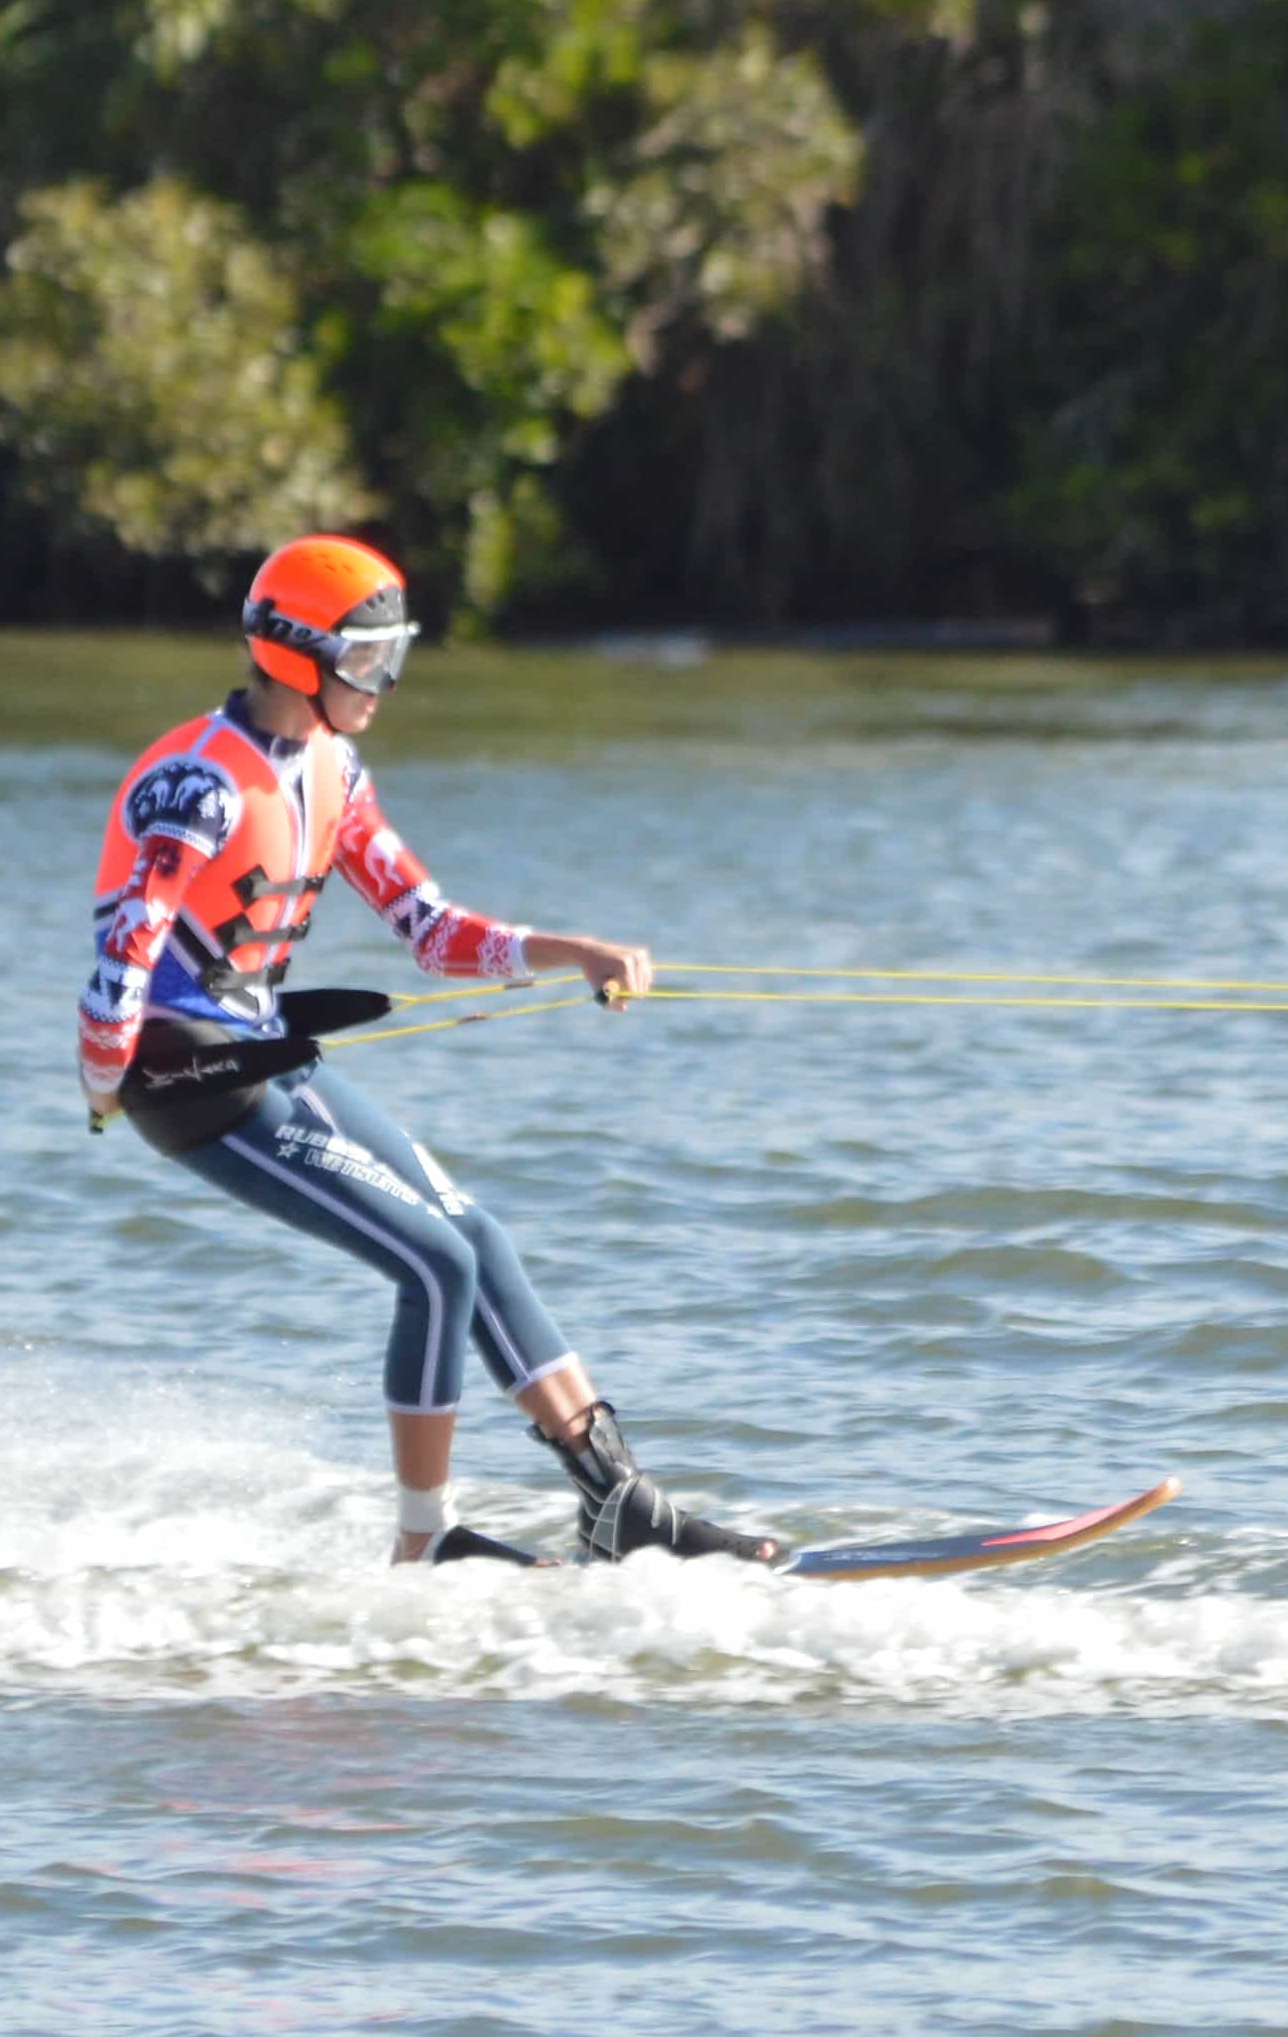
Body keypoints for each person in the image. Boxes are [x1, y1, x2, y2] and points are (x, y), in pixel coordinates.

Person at [80, 533, 784, 1569]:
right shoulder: (199, 783)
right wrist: (106, 1076)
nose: (383, 682)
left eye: (390, 656)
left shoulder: (337, 772)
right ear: (292, 653)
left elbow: (430, 928)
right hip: (190, 1074)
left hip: (268, 1054)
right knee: (433, 1261)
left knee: (479, 1238)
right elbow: (126, 942)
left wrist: (569, 953)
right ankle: (425, 1545)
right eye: (364, 660)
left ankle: (616, 1498)